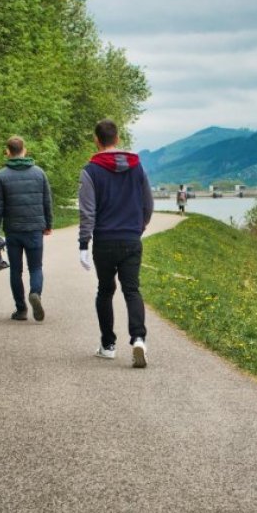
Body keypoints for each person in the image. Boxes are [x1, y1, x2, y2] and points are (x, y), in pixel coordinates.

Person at [78, 119, 154, 368]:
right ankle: (139, 338)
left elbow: (87, 211)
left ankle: (108, 345)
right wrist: (139, 227)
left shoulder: (90, 171)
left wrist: (83, 244)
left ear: (96, 140)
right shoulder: (137, 167)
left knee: (105, 290)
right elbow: (148, 203)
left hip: (105, 241)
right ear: (118, 138)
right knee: (132, 290)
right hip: (131, 239)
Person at [0, 136, 52, 322]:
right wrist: (48, 224)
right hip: (34, 229)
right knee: (36, 267)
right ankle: (35, 294)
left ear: (8, 152)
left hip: (13, 230)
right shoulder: (39, 173)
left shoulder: (1, 175)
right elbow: (47, 201)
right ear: (24, 150)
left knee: (15, 270)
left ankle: (21, 309)